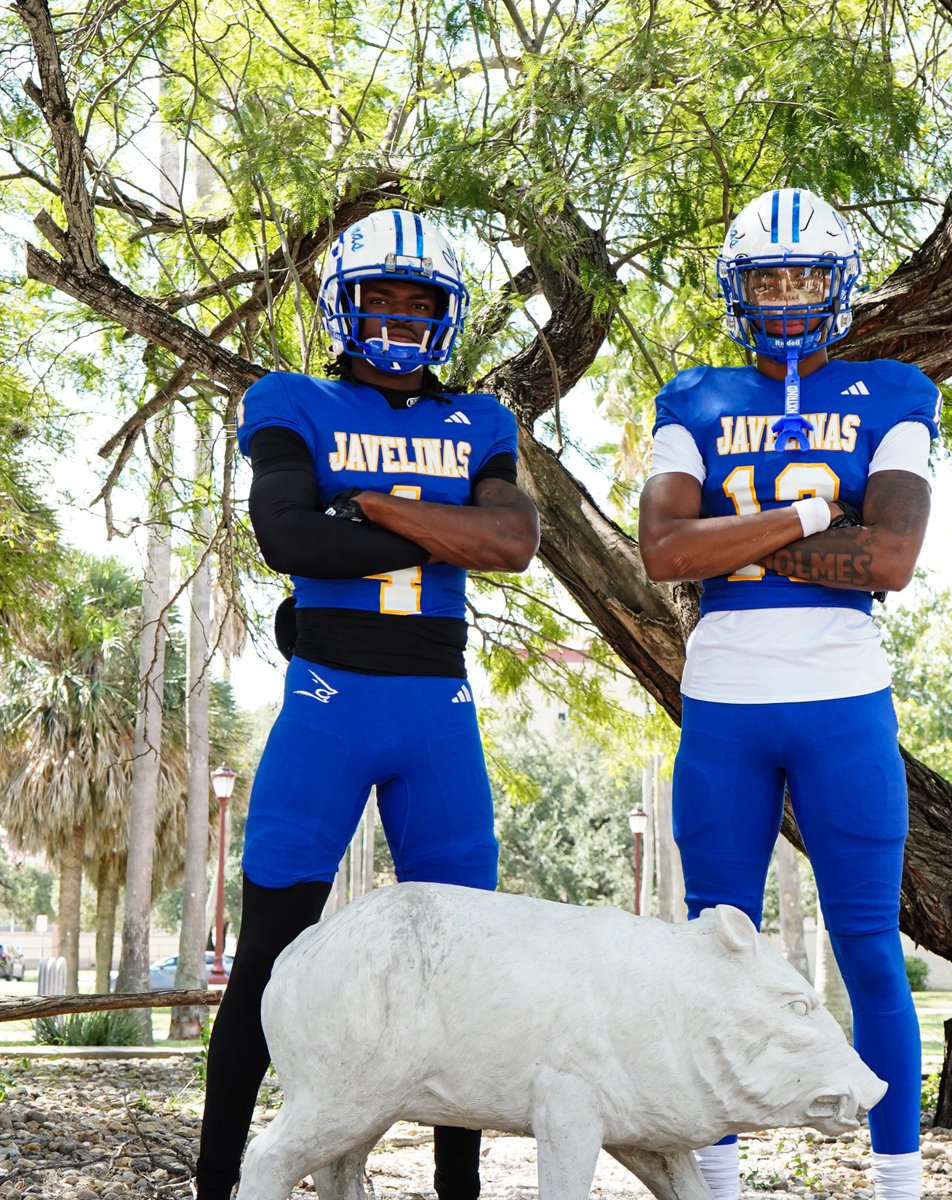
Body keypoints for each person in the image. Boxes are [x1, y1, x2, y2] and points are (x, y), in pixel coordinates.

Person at [195, 208, 540, 1200]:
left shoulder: (479, 419)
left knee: (459, 967)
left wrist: (377, 506)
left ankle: (458, 1191)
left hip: (438, 709)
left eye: (416, 300)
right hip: (328, 701)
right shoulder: (291, 398)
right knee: (267, 955)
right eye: (377, 298)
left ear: (447, 314)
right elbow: (292, 541)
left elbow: (511, 546)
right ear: (341, 307)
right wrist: (446, 529)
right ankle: (216, 1184)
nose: (395, 317)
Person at [638, 187, 940, 1200]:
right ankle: (716, 1184)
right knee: (716, 954)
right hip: (724, 703)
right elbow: (662, 550)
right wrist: (814, 513)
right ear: (738, 288)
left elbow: (891, 557)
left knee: (868, 948)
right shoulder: (695, 395)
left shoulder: (893, 390)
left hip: (843, 696)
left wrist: (746, 542)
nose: (784, 295)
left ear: (837, 283)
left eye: (805, 275)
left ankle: (898, 1183)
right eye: (766, 276)